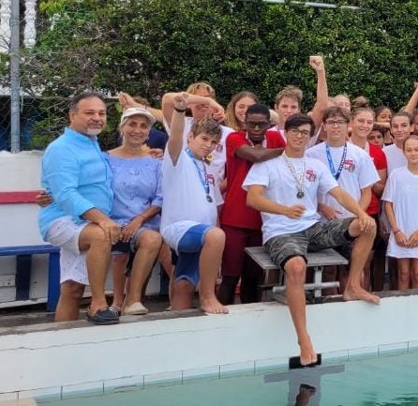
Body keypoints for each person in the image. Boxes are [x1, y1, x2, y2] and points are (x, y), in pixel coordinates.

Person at [244, 113, 380, 367]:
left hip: (313, 227)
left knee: (368, 227)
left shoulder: (315, 165)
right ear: (286, 133)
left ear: (310, 137)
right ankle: (304, 339)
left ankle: (352, 285)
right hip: (281, 231)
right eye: (295, 131)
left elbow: (339, 194)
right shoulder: (268, 164)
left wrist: (361, 214)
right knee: (297, 267)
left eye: (305, 132)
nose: (299, 136)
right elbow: (253, 198)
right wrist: (284, 210)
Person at [39, 92, 120, 324]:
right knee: (101, 235)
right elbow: (65, 194)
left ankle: (62, 339)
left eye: (101, 113)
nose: (97, 118)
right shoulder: (61, 148)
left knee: (72, 289)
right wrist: (102, 219)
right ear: (72, 115)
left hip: (84, 223)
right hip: (63, 221)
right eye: (89, 112)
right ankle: (98, 304)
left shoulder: (91, 145)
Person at [160, 93, 229, 315]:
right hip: (179, 228)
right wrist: (180, 111)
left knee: (184, 286)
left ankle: (178, 327)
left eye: (214, 142)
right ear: (191, 136)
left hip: (201, 234)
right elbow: (175, 137)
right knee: (216, 236)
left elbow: (213, 207)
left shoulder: (208, 168)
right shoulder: (178, 159)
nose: (208, 146)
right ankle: (208, 297)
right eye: (204, 139)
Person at [307, 107, 381, 291]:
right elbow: (306, 192)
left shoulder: (360, 155)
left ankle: (352, 297)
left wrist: (358, 215)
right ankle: (331, 302)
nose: (335, 126)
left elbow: (366, 192)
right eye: (331, 122)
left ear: (347, 125)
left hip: (351, 223)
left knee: (353, 268)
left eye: (340, 122)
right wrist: (322, 207)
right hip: (322, 222)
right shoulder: (311, 154)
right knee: (328, 270)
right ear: (324, 125)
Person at [219, 103, 285, 305]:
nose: (256, 129)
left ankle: (251, 316)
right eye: (251, 124)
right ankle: (222, 317)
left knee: (254, 276)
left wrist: (274, 150)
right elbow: (256, 156)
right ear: (244, 122)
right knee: (230, 275)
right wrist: (286, 150)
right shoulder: (234, 138)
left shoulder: (275, 138)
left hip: (263, 217)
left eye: (261, 124)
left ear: (269, 124)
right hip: (235, 217)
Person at [104, 107, 166, 315]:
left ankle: (133, 299)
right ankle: (116, 302)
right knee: (119, 253)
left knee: (152, 239)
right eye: (132, 124)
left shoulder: (156, 163)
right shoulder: (105, 159)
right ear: (122, 127)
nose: (137, 130)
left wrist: (139, 220)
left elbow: (159, 197)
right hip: (110, 221)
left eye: (143, 126)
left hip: (143, 222)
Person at [382, 135, 418, 290]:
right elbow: (388, 204)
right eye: (409, 150)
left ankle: (417, 305)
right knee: (403, 273)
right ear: (404, 152)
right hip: (401, 233)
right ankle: (402, 305)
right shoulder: (396, 175)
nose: (413, 153)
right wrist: (396, 231)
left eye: (416, 149)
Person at [348, 106, 389, 291]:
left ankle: (361, 297)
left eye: (369, 122)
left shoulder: (378, 153)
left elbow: (380, 189)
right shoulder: (340, 148)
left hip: (369, 212)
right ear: (351, 122)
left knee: (364, 264)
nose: (365, 125)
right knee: (339, 267)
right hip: (342, 213)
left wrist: (368, 180)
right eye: (361, 121)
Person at [269, 56, 330, 145]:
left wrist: (320, 72)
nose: (289, 110)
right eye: (284, 106)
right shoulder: (267, 134)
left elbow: (322, 107)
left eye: (293, 107)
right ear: (276, 108)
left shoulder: (306, 131)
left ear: (298, 110)